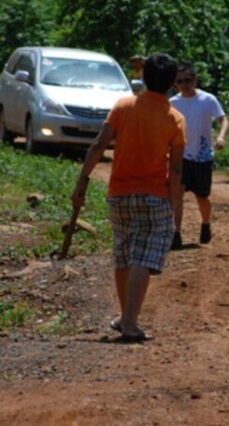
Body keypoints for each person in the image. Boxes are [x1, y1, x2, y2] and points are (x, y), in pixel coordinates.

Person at [71, 53, 186, 343]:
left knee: (123, 255)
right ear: (173, 83)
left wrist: (82, 181)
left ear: (142, 77)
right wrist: (173, 206)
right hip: (153, 196)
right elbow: (176, 169)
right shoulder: (174, 118)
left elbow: (99, 145)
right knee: (143, 257)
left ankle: (125, 317)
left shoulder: (123, 106)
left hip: (119, 195)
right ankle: (131, 324)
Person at [169, 62, 229, 249]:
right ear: (175, 84)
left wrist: (220, 137)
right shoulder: (172, 104)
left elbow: (223, 119)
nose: (184, 84)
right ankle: (176, 234)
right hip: (180, 154)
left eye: (188, 80)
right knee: (177, 194)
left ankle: (205, 223)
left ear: (195, 79)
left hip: (202, 156)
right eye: (180, 81)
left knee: (202, 196)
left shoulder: (208, 100)